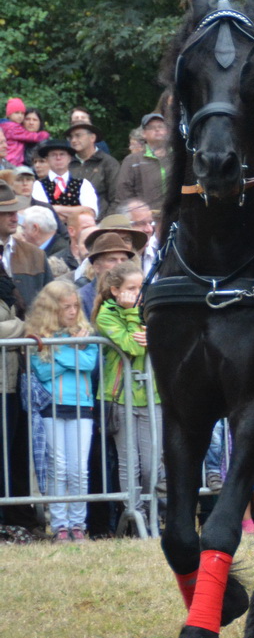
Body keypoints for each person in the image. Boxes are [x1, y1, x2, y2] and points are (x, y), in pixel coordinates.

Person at [27, 280, 99, 540]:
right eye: (65, 307)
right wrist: (71, 350)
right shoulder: (39, 334)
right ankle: (59, 525)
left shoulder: (85, 332)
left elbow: (89, 364)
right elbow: (43, 371)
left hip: (81, 405)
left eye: (75, 306)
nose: (72, 311)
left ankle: (78, 523)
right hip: (51, 407)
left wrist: (57, 351)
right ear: (51, 309)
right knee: (57, 466)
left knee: (78, 468)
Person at [93, 259, 155, 533]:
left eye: (141, 287)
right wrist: (131, 313)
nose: (138, 293)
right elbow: (133, 346)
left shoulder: (151, 310)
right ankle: (136, 516)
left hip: (153, 396)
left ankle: (153, 514)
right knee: (129, 462)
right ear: (116, 290)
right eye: (131, 287)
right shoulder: (106, 313)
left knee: (153, 463)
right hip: (120, 397)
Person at [114, 112, 170, 218]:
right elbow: (124, 193)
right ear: (144, 134)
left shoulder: (178, 158)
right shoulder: (132, 160)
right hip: (145, 219)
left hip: (176, 217)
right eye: (151, 127)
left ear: (167, 131)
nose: (157, 130)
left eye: (161, 126)